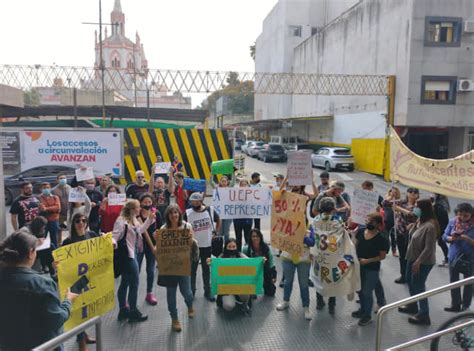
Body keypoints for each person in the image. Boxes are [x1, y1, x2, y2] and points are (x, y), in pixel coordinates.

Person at [0, 231, 78, 351]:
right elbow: (57, 319)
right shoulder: (42, 284)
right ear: (31, 253)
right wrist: (68, 301)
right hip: (41, 345)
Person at [112, 199, 155, 323]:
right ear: (131, 209)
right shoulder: (121, 221)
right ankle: (133, 311)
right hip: (128, 256)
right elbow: (115, 237)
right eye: (137, 207)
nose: (140, 209)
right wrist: (112, 243)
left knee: (125, 282)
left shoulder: (133, 219)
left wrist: (149, 220)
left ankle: (123, 310)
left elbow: (139, 230)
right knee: (134, 284)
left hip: (133, 253)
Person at [61, 213, 99, 351]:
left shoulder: (93, 235)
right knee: (78, 311)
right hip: (76, 281)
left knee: (87, 309)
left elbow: (103, 248)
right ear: (73, 223)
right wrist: (56, 264)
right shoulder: (68, 241)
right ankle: (81, 340)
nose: (81, 223)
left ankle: (84, 335)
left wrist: (112, 242)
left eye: (84, 220)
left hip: (90, 278)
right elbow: (63, 261)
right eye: (78, 221)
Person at [398, 198, 438, 325]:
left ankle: (424, 314)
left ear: (423, 209)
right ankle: (413, 305)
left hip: (423, 261)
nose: (414, 208)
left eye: (417, 206)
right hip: (412, 257)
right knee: (410, 281)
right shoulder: (420, 221)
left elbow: (429, 248)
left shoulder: (430, 226)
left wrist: (418, 262)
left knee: (419, 285)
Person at [155, 204, 194, 332]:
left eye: (176, 212)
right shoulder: (163, 229)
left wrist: (190, 238)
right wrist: (156, 240)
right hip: (169, 267)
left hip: (183, 265)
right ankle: (174, 319)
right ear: (168, 215)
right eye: (171, 213)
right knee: (171, 294)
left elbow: (191, 245)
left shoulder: (187, 226)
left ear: (179, 214)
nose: (174, 215)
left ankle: (190, 305)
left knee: (187, 292)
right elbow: (158, 250)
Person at [351, 212, 389, 326]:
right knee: (359, 290)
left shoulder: (381, 238)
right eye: (367, 220)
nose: (368, 223)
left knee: (367, 291)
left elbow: (382, 256)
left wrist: (367, 260)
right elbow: (356, 244)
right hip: (359, 266)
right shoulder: (361, 232)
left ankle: (367, 315)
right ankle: (362, 309)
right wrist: (353, 236)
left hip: (372, 268)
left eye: (371, 221)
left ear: (377, 224)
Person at [184, 192, 221, 301]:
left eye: (197, 201)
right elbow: (181, 224)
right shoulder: (187, 213)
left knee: (206, 269)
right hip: (193, 246)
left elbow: (219, 220)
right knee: (192, 269)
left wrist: (215, 233)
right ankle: (191, 291)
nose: (194, 204)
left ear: (201, 201)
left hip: (207, 245)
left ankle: (207, 291)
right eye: (192, 202)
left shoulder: (209, 210)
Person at [276, 227, 315, 320]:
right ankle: (286, 301)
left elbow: (312, 242)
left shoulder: (310, 228)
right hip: (288, 257)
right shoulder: (285, 225)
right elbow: (279, 239)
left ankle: (306, 307)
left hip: (304, 259)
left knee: (304, 284)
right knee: (288, 281)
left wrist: (302, 237)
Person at [312, 197, 342, 313]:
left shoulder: (316, 220)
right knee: (332, 277)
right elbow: (341, 237)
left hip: (319, 254)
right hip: (333, 255)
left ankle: (319, 301)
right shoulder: (337, 220)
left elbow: (313, 236)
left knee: (319, 276)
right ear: (333, 208)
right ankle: (332, 302)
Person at [443, 202, 474, 312]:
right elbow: (444, 236)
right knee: (454, 282)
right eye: (460, 214)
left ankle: (465, 306)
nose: (462, 218)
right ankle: (455, 304)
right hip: (454, 256)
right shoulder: (453, 222)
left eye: (466, 216)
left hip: (470, 258)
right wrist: (451, 239)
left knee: (468, 284)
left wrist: (468, 239)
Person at [137, 193, 163, 306]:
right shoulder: (137, 215)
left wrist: (157, 241)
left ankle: (149, 292)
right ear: (141, 203)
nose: (147, 204)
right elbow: (139, 231)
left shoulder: (156, 214)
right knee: (136, 270)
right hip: (139, 246)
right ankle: (133, 294)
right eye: (145, 202)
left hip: (152, 246)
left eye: (149, 202)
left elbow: (161, 230)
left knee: (150, 269)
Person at [213, 239, 251, 314]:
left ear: (237, 247)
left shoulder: (240, 255)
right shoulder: (221, 257)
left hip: (239, 286)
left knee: (246, 292)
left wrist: (261, 260)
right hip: (227, 288)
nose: (232, 249)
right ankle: (228, 299)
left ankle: (244, 305)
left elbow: (251, 262)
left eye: (234, 246)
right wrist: (210, 262)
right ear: (225, 247)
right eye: (229, 247)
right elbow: (215, 269)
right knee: (228, 306)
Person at [392, 187, 419, 284]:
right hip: (400, 231)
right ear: (407, 193)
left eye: (415, 192)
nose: (412, 193)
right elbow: (385, 203)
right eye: (410, 191)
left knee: (411, 256)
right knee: (402, 255)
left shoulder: (419, 204)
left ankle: (412, 275)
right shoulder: (402, 201)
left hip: (412, 234)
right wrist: (392, 195)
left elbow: (413, 215)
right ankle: (403, 275)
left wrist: (399, 209)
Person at [242, 229, 277, 296]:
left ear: (260, 237)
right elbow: (243, 264)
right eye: (253, 236)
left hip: (264, 270)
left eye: (257, 236)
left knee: (271, 292)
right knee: (251, 294)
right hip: (251, 272)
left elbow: (271, 263)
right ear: (250, 238)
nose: (255, 238)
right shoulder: (246, 249)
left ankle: (264, 283)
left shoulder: (266, 248)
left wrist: (274, 276)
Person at [210, 174, 235, 242]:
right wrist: (212, 173)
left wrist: (233, 173)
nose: (224, 182)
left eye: (225, 181)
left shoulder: (229, 188)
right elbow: (211, 182)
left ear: (227, 182)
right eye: (222, 181)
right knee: (219, 231)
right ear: (220, 182)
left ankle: (227, 245)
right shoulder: (217, 189)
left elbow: (233, 182)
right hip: (220, 214)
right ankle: (219, 246)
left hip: (228, 214)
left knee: (226, 231)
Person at [38, 182, 61, 249]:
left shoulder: (55, 197)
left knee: (55, 239)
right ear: (40, 189)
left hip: (54, 221)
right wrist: (52, 209)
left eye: (48, 188)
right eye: (44, 188)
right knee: (42, 239)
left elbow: (58, 208)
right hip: (43, 222)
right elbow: (41, 209)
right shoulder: (38, 198)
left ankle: (55, 254)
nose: (46, 189)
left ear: (50, 188)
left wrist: (47, 208)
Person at [233, 179, 254, 251]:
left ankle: (248, 251)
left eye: (245, 184)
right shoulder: (235, 194)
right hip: (237, 220)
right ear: (240, 186)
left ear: (248, 185)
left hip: (247, 219)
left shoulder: (252, 194)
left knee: (248, 237)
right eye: (242, 184)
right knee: (238, 237)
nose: (244, 186)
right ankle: (238, 252)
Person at [52, 173, 71, 244]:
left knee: (71, 230)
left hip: (69, 213)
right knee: (58, 230)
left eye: (64, 178)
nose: (63, 180)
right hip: (59, 214)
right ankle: (59, 245)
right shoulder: (53, 190)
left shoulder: (70, 188)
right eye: (61, 178)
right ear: (57, 180)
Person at [432, 194, 450, 266]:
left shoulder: (439, 205)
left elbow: (438, 217)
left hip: (441, 226)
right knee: (440, 242)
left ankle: (448, 258)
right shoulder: (442, 202)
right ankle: (447, 258)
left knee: (441, 242)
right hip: (442, 225)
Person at [382, 187, 401, 256]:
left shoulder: (399, 201)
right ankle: (385, 250)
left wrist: (397, 212)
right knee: (385, 236)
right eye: (391, 192)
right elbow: (384, 203)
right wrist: (391, 197)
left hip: (395, 220)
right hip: (386, 220)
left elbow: (400, 210)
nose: (393, 194)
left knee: (393, 236)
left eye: (395, 192)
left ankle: (394, 250)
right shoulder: (387, 199)